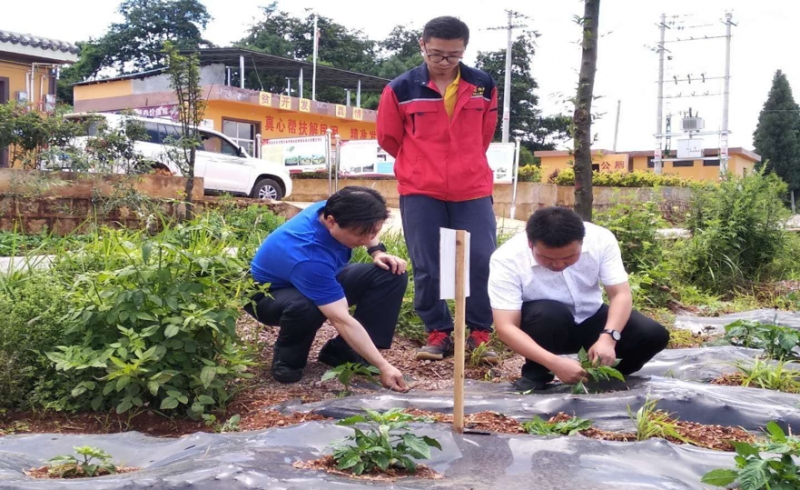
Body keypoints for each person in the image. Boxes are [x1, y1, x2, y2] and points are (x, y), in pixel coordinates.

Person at [377, 16, 499, 363]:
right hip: (420, 188)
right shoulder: (400, 89)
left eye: (453, 55)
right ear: (423, 45)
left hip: (472, 186)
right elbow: (388, 137)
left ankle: (479, 331)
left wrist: (464, 161)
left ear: (464, 49)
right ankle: (438, 331)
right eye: (436, 54)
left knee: (481, 258)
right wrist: (420, 163)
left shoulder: (482, 84)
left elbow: (485, 132)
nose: (444, 62)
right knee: (428, 262)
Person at [244, 186, 409, 391]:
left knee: (390, 273)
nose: (367, 239)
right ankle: (287, 361)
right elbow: (341, 319)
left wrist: (377, 252)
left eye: (374, 232)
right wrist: (384, 366)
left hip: (318, 275)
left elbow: (367, 228)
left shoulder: (335, 208)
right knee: (307, 305)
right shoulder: (309, 256)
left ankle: (343, 351)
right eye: (360, 234)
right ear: (331, 221)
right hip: (266, 295)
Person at [488, 207, 670, 391]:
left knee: (652, 334)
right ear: (530, 244)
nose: (558, 264)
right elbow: (506, 326)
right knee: (548, 313)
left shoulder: (600, 240)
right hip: (545, 328)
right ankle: (536, 377)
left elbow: (620, 294)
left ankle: (601, 377)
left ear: (581, 242)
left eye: (569, 257)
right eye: (547, 258)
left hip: (591, 317)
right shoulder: (507, 259)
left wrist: (609, 337)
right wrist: (554, 363)